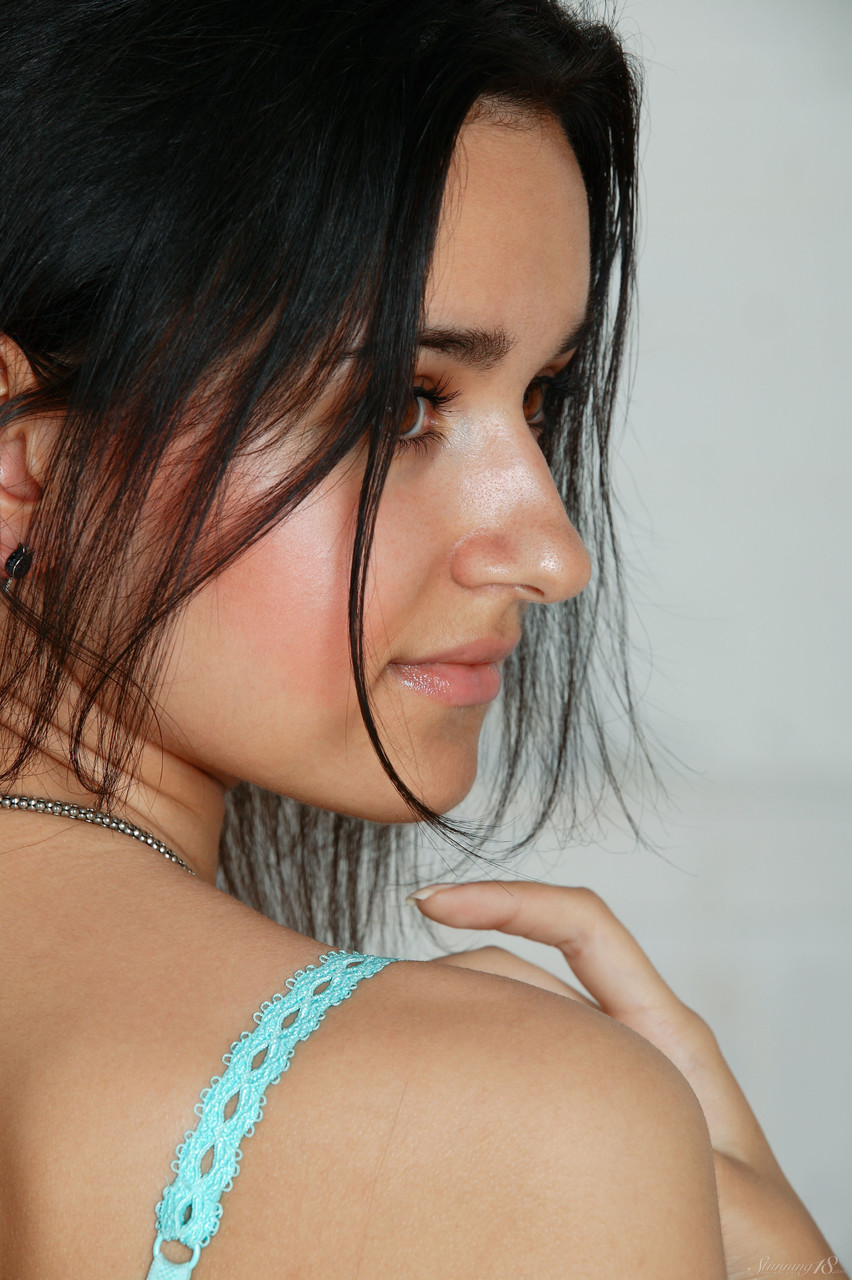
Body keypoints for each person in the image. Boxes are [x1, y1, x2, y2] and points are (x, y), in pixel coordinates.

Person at [0, 2, 842, 1277]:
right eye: (402, 404)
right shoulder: (523, 1125)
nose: (554, 553)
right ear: (24, 464)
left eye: (542, 397)